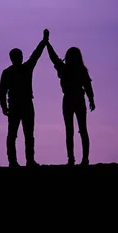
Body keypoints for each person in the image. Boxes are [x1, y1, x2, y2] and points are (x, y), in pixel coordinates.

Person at [0, 29, 49, 167]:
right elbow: (1, 91)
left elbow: (36, 55)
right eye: (18, 56)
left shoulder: (17, 70)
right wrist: (4, 106)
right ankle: (16, 161)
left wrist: (44, 42)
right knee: (17, 134)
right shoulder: (14, 71)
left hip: (23, 104)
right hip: (19, 105)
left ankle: (26, 161)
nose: (20, 58)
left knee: (24, 134)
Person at [46, 36, 95, 166]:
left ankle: (73, 159)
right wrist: (91, 99)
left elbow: (54, 58)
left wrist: (47, 44)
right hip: (77, 98)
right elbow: (88, 86)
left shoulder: (65, 69)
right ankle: (82, 159)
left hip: (70, 99)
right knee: (81, 130)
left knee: (71, 131)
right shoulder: (80, 70)